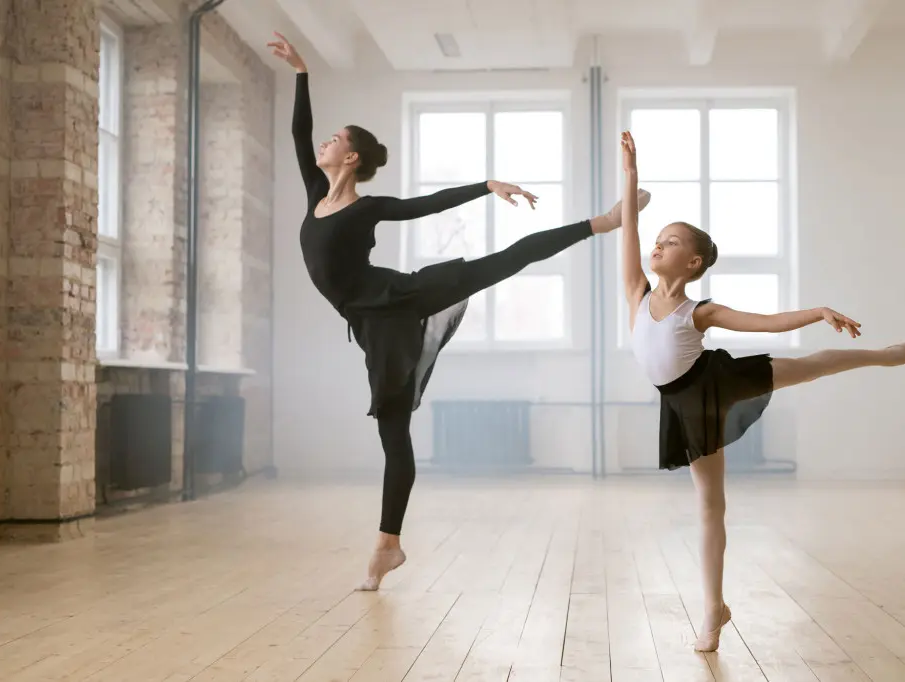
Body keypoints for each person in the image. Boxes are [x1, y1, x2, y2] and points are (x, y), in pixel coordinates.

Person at [268, 33, 651, 591]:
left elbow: (426, 204)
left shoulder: (369, 207)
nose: (323, 144)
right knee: (393, 433)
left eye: (335, 140)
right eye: (327, 139)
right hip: (373, 326)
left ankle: (605, 222)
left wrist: (485, 185)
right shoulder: (314, 192)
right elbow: (300, 132)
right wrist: (302, 71)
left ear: (350, 157)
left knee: (504, 261)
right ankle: (389, 545)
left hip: (397, 297)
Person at [617, 131, 905, 652]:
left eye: (671, 241)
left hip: (712, 382)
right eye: (659, 239)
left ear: (693, 263)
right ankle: (715, 607)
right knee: (710, 505)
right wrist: (631, 175)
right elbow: (629, 227)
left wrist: (818, 310)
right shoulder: (636, 292)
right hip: (683, 405)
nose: (658, 244)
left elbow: (764, 322)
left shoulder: (700, 311)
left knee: (806, 367)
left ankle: (884, 355)